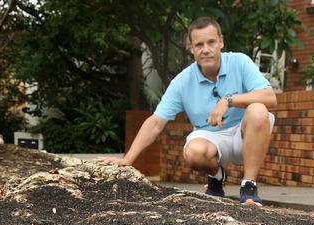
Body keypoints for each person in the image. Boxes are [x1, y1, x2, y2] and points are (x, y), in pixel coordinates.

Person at [97, 17, 277, 206]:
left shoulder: (240, 62)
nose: (206, 49)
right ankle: (216, 176)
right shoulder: (182, 81)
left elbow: (269, 97)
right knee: (193, 153)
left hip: (244, 135)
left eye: (211, 42)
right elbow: (156, 122)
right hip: (211, 140)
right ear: (191, 48)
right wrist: (127, 159)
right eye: (199, 45)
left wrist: (228, 100)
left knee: (258, 109)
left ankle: (248, 187)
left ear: (221, 42)